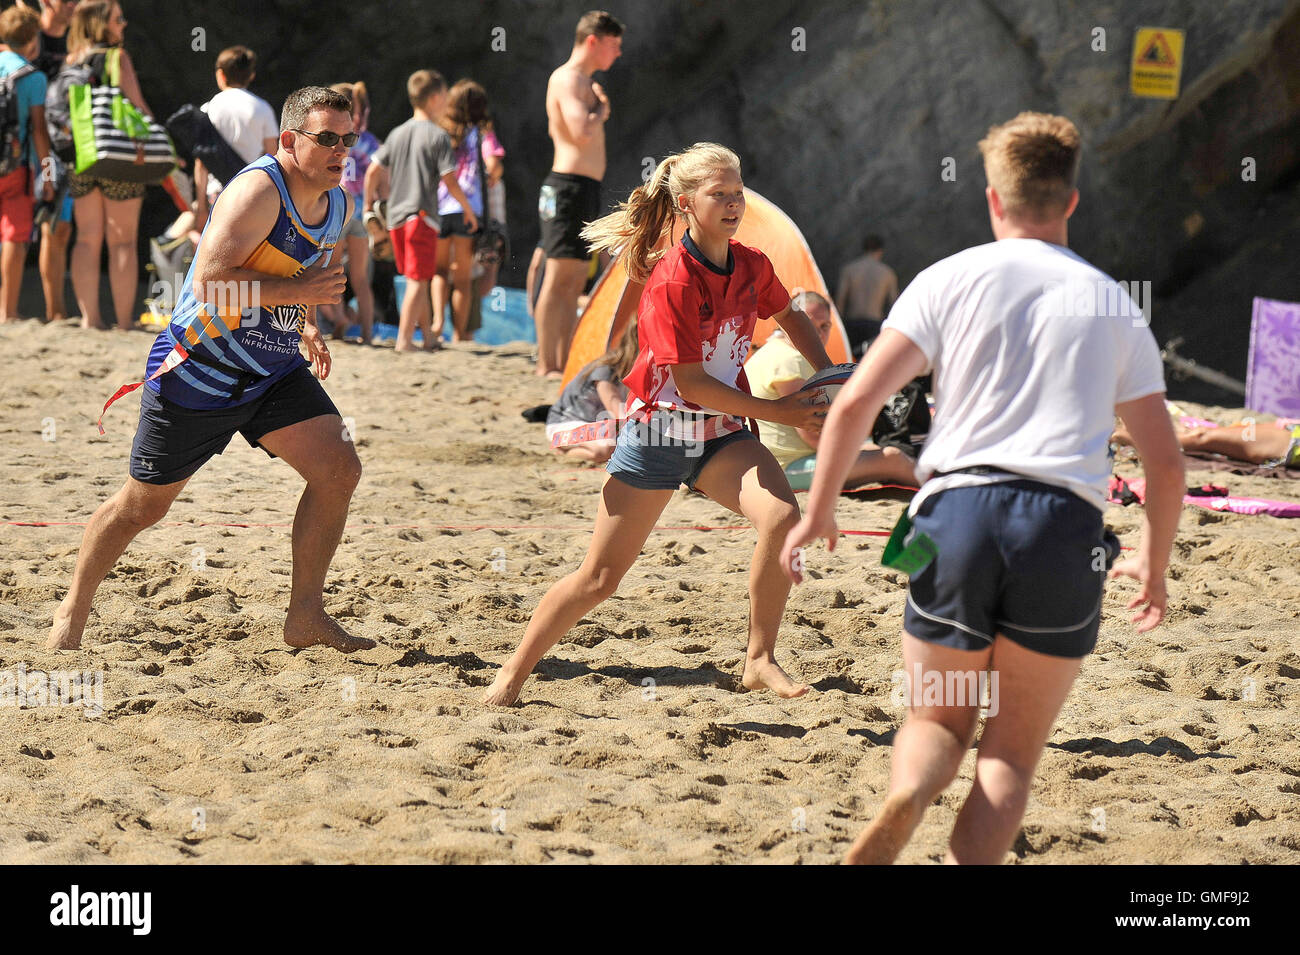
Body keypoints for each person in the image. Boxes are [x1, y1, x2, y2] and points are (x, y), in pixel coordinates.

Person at [781, 112, 1185, 865]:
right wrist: (1153, 564)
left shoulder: (947, 278)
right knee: (1008, 760)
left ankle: (909, 792)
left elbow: (854, 404)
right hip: (1063, 527)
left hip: (953, 512)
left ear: (994, 201)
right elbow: (1164, 464)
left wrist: (819, 511)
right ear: (1070, 200)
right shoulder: (1112, 304)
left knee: (936, 724)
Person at [484, 142, 831, 706]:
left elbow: (792, 316)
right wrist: (783, 412)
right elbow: (690, 385)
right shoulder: (672, 277)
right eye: (719, 194)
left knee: (783, 517)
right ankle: (511, 674)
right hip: (659, 435)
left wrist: (832, 374)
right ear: (686, 203)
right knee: (599, 579)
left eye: (738, 194)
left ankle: (759, 659)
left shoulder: (752, 264)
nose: (733, 204)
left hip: (722, 436)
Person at [48, 86, 374, 654]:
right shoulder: (257, 191)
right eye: (326, 138)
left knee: (340, 469)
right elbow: (207, 284)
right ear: (290, 141)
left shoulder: (339, 202)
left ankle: (305, 617)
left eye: (346, 138)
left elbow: (313, 269)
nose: (339, 149)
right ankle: (73, 607)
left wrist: (309, 323)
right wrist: (296, 291)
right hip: (198, 370)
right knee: (140, 507)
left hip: (272, 370)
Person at [748, 291, 920, 489]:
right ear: (791, 323)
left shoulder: (772, 352)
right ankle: (941, 488)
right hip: (785, 467)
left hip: (774, 462)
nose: (819, 333)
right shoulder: (790, 361)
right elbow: (811, 435)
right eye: (810, 325)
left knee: (878, 449)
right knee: (892, 457)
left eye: (825, 326)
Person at [533, 10, 623, 377]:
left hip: (581, 188)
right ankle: (545, 362)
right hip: (566, 186)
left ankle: (562, 360)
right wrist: (600, 109)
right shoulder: (567, 78)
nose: (617, 54)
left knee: (573, 279)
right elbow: (580, 131)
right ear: (593, 41)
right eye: (613, 45)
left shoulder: (582, 81)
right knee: (558, 277)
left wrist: (598, 106)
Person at [363, 69, 476, 352]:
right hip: (422, 217)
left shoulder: (397, 133)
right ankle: (404, 340)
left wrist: (368, 205)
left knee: (419, 277)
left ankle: (427, 337)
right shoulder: (438, 136)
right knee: (417, 280)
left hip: (396, 220)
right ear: (436, 98)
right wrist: (467, 209)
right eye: (445, 98)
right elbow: (450, 180)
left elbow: (373, 170)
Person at [65, 1, 151, 331]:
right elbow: (138, 107)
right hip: (120, 159)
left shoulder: (72, 60)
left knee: (86, 238)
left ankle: (90, 319)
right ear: (101, 23)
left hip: (82, 158)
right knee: (123, 241)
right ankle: (124, 322)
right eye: (118, 19)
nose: (124, 24)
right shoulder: (117, 58)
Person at [0, 4, 55, 322]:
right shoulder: (33, 78)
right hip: (15, 167)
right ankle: (8, 311)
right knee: (14, 238)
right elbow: (39, 134)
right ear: (33, 39)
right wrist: (46, 176)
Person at [24, 0, 75, 322]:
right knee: (19, 231)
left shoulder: (74, 41)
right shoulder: (28, 35)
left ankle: (55, 310)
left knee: (58, 228)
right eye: (65, 1)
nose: (71, 5)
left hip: (64, 146)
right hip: (28, 147)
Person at [193, 45, 278, 232]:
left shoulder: (208, 109)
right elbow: (273, 157)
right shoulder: (263, 108)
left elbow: (202, 162)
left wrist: (200, 207)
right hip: (253, 194)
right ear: (251, 75)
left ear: (220, 75)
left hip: (218, 194)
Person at [432, 79, 491, 343]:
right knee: (464, 279)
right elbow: (494, 165)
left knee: (440, 271)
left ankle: (437, 324)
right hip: (469, 211)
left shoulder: (439, 132)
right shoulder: (481, 134)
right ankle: (458, 335)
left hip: (440, 208)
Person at [324, 80, 378, 344]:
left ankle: (339, 320)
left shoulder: (334, 139)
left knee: (331, 271)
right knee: (360, 279)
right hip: (361, 214)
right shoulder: (367, 141)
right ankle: (367, 335)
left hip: (338, 210)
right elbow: (381, 173)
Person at [546, 317, 637, 464]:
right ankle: (563, 451)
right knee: (605, 450)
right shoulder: (607, 369)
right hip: (564, 426)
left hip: (596, 427)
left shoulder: (630, 369)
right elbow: (620, 414)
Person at [1112, 416, 1300, 468]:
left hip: (1289, 444)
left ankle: (1126, 438)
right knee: (1201, 434)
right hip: (1291, 433)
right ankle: (1134, 434)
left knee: (1201, 438)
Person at [834, 234, 898, 358]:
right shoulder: (887, 273)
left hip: (852, 323)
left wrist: (838, 328)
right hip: (874, 324)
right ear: (880, 251)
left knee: (849, 362)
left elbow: (840, 300)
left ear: (864, 248)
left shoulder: (849, 270)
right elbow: (894, 303)